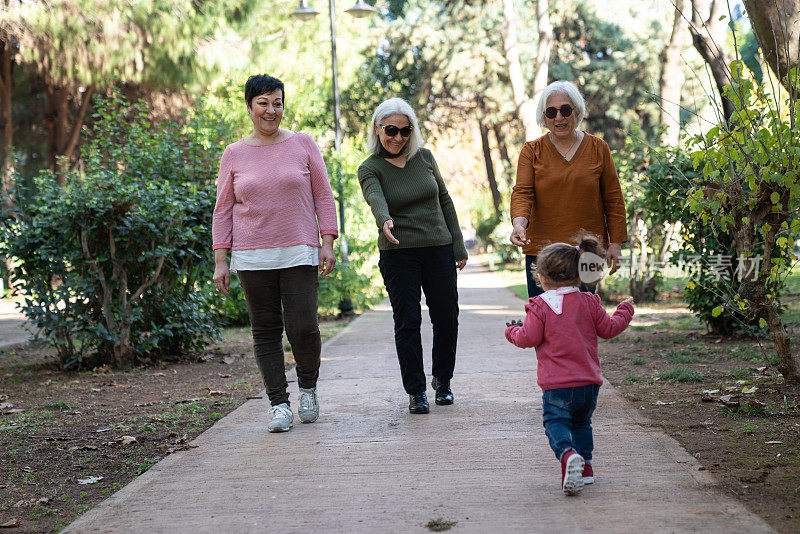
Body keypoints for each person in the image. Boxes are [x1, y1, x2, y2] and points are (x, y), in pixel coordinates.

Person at [212, 74, 338, 433]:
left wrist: (327, 239)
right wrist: (221, 259)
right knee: (265, 331)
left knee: (304, 328)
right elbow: (223, 210)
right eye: (263, 103)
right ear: (249, 107)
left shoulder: (303, 144)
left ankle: (309, 388)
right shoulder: (234, 153)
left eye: (277, 103)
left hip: (299, 249)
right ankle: (279, 404)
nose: (271, 110)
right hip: (252, 256)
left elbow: (323, 195)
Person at [357, 98, 468, 415]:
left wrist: (457, 245)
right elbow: (375, 196)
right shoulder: (370, 168)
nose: (397, 137)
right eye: (391, 130)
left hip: (438, 248)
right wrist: (384, 219)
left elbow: (445, 201)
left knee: (447, 317)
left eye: (405, 131)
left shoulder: (425, 158)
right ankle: (416, 391)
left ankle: (442, 381)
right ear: (378, 129)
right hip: (398, 252)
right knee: (407, 322)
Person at [504, 234, 634, 495]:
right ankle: (585, 469)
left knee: (555, 423)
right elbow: (609, 329)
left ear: (541, 277)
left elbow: (528, 338)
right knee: (582, 424)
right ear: (578, 274)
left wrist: (512, 332)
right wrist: (624, 310)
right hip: (589, 382)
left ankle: (567, 454)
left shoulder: (539, 306)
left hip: (557, 384)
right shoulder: (589, 301)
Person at [509, 80, 628, 297]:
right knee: (543, 319)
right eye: (551, 112)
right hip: (543, 254)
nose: (559, 118)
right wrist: (519, 224)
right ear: (544, 117)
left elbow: (613, 198)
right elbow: (523, 193)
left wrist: (616, 243)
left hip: (588, 252)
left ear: (577, 111)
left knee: (586, 318)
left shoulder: (598, 148)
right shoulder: (531, 151)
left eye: (565, 110)